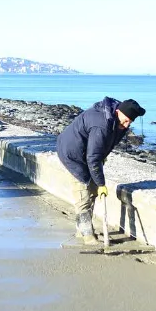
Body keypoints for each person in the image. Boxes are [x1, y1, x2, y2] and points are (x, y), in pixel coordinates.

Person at [56, 97, 146, 244]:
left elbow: (104, 146)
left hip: (88, 152)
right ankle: (87, 235)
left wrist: (98, 174)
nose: (127, 124)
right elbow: (93, 157)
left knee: (92, 191)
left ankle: (82, 228)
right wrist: (101, 183)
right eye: (126, 120)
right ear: (118, 111)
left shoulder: (118, 123)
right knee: (82, 194)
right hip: (72, 154)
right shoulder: (102, 124)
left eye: (130, 121)